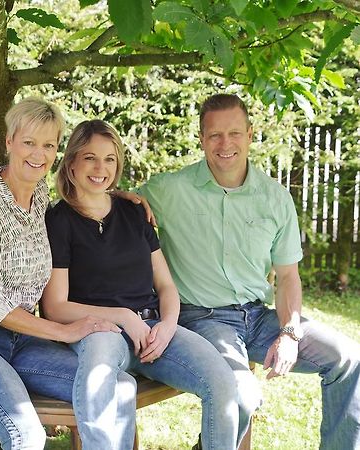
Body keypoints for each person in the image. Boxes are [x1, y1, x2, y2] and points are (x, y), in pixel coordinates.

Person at [136, 93, 360, 450]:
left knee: (348, 359)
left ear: (250, 134)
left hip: (259, 319)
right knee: (241, 395)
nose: (225, 144)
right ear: (201, 138)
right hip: (202, 319)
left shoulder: (274, 198)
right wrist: (126, 198)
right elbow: (109, 202)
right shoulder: (169, 189)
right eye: (215, 135)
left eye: (235, 133)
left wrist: (289, 333)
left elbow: (287, 277)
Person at [0, 98, 120, 450]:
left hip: (20, 342)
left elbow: (80, 192)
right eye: (29, 143)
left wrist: (120, 198)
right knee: (27, 436)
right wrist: (64, 330)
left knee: (116, 389)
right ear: (9, 142)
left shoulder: (38, 196)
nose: (39, 154)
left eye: (48, 145)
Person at [42, 119, 242, 450]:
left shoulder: (133, 211)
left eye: (109, 159)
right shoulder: (59, 221)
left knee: (223, 383)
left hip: (153, 330)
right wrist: (121, 316)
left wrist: (167, 324)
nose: (100, 168)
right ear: (72, 161)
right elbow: (55, 306)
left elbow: (165, 285)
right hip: (97, 331)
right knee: (98, 385)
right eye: (90, 157)